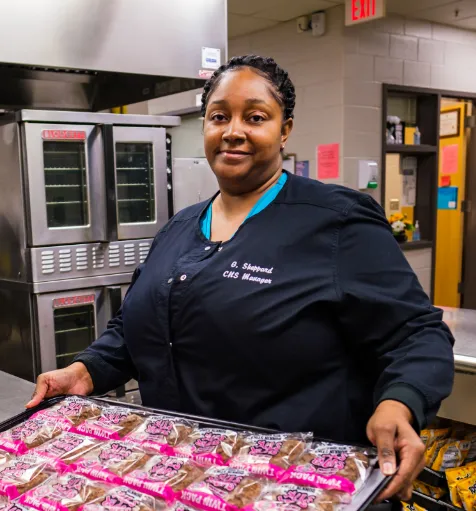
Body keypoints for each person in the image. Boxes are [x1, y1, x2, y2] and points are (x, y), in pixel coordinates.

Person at [27, 55, 454, 502]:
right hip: (175, 478)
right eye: (218, 117)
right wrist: (86, 369)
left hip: (294, 486)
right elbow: (138, 324)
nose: (233, 130)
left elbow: (416, 333)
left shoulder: (336, 222)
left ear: (285, 128)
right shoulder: (179, 227)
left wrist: (398, 402)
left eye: (255, 117)